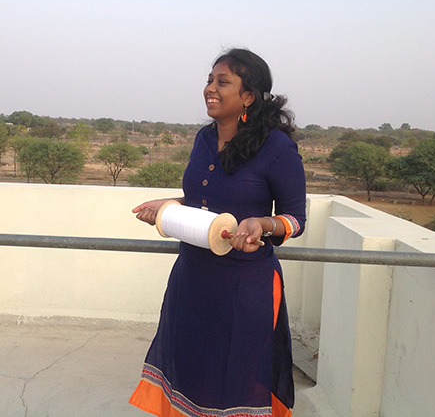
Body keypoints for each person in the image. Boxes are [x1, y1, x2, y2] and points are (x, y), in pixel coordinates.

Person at [129, 48, 306, 417]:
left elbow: (295, 219)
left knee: (237, 378)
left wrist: (262, 224)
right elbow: (203, 200)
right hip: (192, 281)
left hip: (245, 289)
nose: (210, 88)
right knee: (192, 372)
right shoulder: (204, 140)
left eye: (222, 81)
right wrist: (169, 207)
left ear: (248, 96)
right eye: (210, 80)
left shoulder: (277, 148)